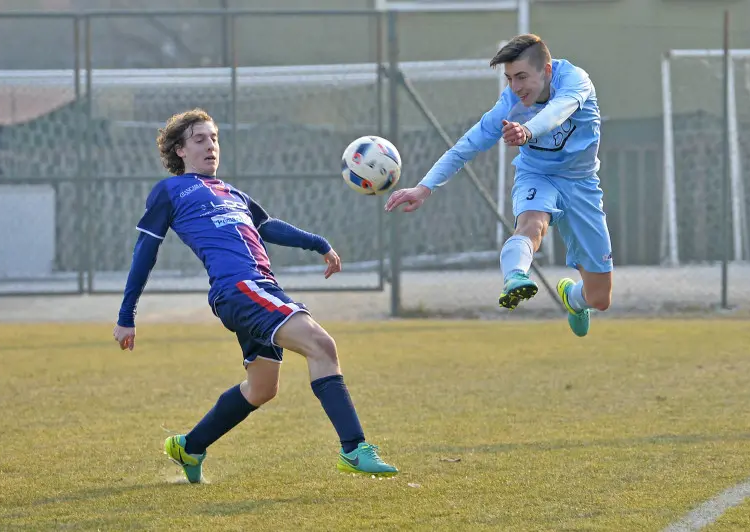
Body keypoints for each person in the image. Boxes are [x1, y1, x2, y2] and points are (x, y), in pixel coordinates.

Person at [113, 108, 397, 483]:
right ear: (180, 150)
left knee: (262, 389)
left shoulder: (232, 193)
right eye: (199, 139)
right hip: (240, 287)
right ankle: (354, 448)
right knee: (321, 346)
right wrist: (126, 315)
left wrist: (319, 243)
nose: (211, 146)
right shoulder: (170, 191)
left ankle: (190, 447)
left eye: (214, 138)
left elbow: (268, 226)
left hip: (258, 287)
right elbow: (144, 252)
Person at [385, 34, 612, 337]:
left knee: (600, 298)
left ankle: (572, 298)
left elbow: (558, 112)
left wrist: (527, 131)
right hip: (537, 176)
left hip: (582, 184)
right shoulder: (509, 104)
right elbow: (467, 146)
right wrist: (424, 187)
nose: (515, 87)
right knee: (532, 225)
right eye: (509, 78)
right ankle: (515, 277)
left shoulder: (575, 81)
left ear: (546, 70)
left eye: (522, 77)